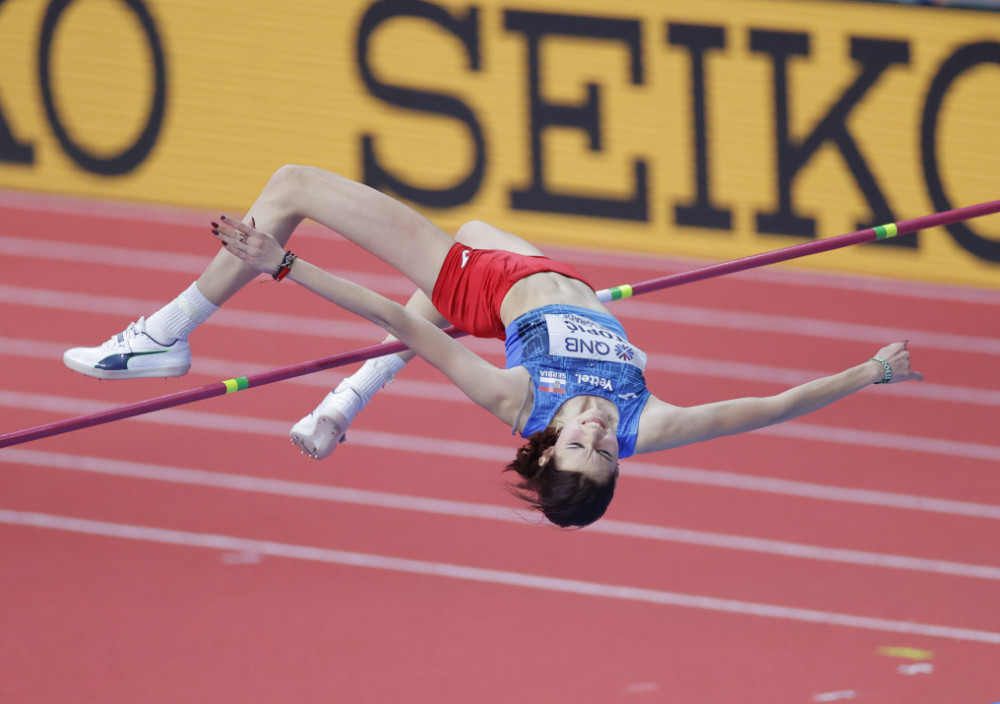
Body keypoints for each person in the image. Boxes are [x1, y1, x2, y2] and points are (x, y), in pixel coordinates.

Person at [63, 165, 923, 527]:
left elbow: (402, 322)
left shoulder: (522, 403)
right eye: (600, 448)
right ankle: (342, 403)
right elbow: (769, 409)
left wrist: (283, 264)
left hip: (483, 282)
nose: (590, 429)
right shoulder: (647, 424)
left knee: (290, 190)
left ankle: (162, 338)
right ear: (616, 461)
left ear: (550, 444)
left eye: (574, 444)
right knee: (464, 232)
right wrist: (869, 372)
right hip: (539, 264)